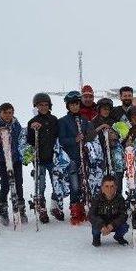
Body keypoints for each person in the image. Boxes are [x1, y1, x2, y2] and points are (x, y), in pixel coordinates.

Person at [58, 90, 96, 225]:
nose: (74, 107)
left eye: (76, 104)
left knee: (84, 183)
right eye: (72, 105)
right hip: (72, 158)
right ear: (68, 106)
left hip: (84, 157)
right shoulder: (62, 121)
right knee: (74, 185)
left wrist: (87, 139)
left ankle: (83, 207)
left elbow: (91, 136)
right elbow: (62, 140)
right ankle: (74, 209)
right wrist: (74, 139)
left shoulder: (85, 121)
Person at [27, 93, 61, 223]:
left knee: (56, 183)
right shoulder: (32, 122)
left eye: (46, 105)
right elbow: (30, 141)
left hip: (52, 158)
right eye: (40, 105)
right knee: (41, 185)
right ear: (36, 106)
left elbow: (58, 137)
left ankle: (55, 206)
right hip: (39, 159)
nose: (43, 107)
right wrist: (33, 130)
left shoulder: (54, 120)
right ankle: (41, 209)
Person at [0, 102, 27, 225]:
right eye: (5, 113)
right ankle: (3, 210)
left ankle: (20, 209)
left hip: (16, 160)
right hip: (2, 161)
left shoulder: (16, 125)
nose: (8, 115)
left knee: (19, 184)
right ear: (0, 113)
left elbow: (22, 139)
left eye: (10, 113)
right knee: (5, 184)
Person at [88, 175, 129, 247]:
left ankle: (118, 236)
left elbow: (123, 215)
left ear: (116, 187)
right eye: (106, 186)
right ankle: (96, 237)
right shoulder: (97, 199)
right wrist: (101, 225)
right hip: (101, 223)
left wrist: (112, 225)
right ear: (102, 188)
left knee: (124, 227)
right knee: (95, 227)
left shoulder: (120, 199)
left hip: (114, 223)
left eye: (112, 186)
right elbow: (91, 215)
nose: (109, 189)